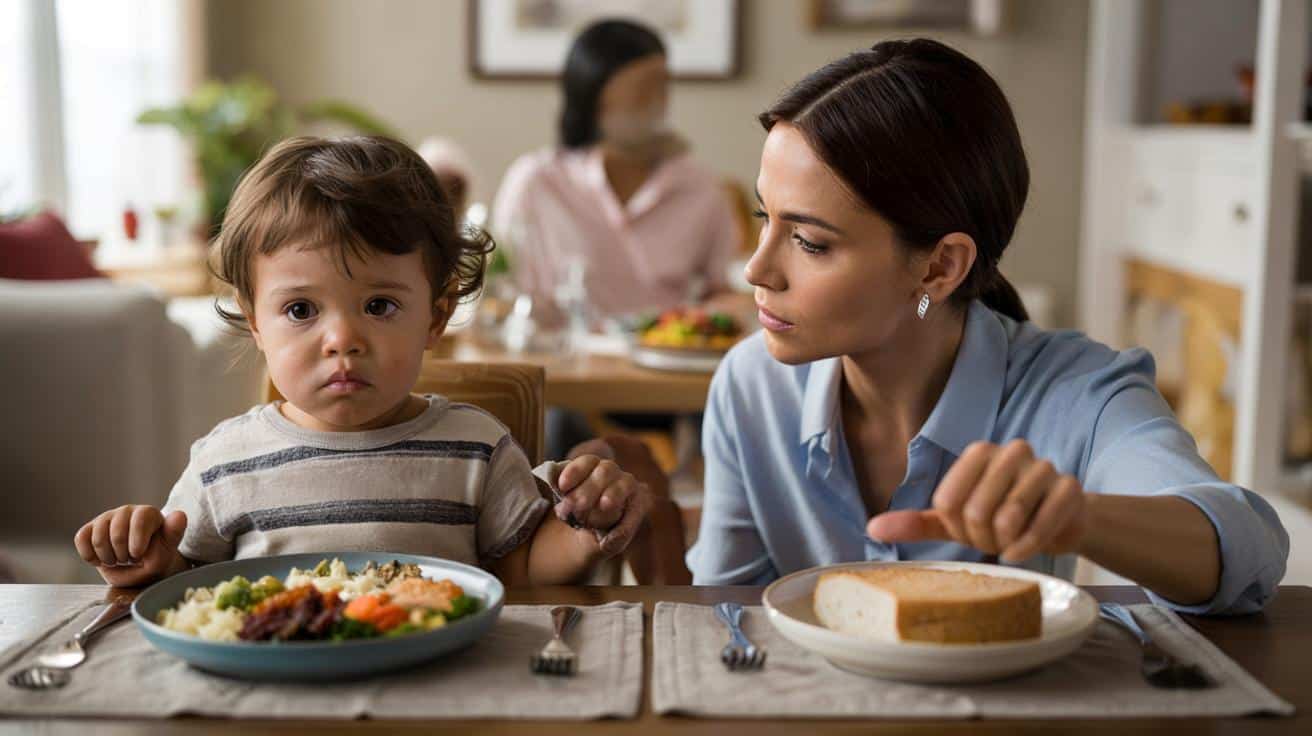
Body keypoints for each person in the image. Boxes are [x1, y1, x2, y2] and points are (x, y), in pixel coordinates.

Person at [687, 39, 1288, 615]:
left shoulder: (1080, 392)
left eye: (808, 241)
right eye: (766, 217)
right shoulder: (750, 387)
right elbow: (726, 615)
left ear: (940, 266)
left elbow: (1248, 553)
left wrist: (1078, 517)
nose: (756, 269)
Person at [74, 135, 653, 588]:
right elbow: (193, 589)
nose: (342, 340)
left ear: (436, 315)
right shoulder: (224, 464)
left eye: (379, 305)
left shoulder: (476, 447)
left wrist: (582, 530)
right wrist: (148, 562)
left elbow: (522, 571)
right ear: (255, 323)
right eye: (300, 309)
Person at [491, 18, 743, 329]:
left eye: (663, 86)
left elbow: (720, 292)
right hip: (560, 363)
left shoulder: (701, 187)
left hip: (663, 363)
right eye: (642, 90)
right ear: (593, 97)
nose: (659, 102)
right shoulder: (535, 183)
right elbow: (501, 291)